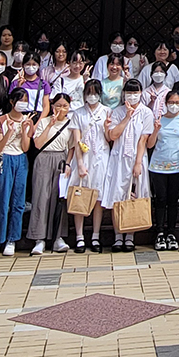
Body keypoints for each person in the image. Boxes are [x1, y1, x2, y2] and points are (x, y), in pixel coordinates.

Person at [103, 79, 156, 251]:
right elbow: (113, 135)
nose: (132, 96)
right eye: (129, 92)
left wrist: (138, 163)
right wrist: (127, 116)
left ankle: (130, 236)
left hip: (136, 157)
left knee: (135, 194)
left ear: (141, 93)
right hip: (118, 158)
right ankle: (118, 235)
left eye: (135, 92)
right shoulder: (117, 112)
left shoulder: (146, 113)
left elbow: (143, 139)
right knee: (117, 194)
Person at [27, 93, 76, 255]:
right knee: (41, 196)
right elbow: (37, 143)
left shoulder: (71, 124)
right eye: (58, 105)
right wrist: (49, 125)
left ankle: (58, 237)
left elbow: (71, 147)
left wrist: (68, 163)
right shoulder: (44, 122)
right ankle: (39, 238)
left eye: (65, 106)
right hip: (44, 158)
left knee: (59, 198)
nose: (61, 109)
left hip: (61, 159)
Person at [67, 78, 111, 252]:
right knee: (81, 194)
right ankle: (79, 236)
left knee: (98, 197)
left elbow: (109, 138)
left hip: (101, 156)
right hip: (84, 158)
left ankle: (95, 235)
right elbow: (77, 140)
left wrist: (108, 128)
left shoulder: (107, 111)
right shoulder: (78, 113)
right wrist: (79, 162)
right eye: (89, 93)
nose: (92, 96)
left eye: (95, 93)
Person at [0, 92, 33, 256]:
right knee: (2, 202)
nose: (23, 103)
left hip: (20, 159)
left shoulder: (27, 120)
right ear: (12, 102)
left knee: (18, 203)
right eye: (20, 100)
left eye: (26, 100)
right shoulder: (1, 120)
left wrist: (24, 130)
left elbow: (26, 147)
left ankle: (12, 239)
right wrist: (10, 131)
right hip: (5, 159)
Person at [147, 90, 179, 251]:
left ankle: (171, 232)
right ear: (165, 104)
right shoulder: (158, 120)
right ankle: (159, 232)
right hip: (158, 166)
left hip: (178, 166)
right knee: (160, 199)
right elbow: (150, 145)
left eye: (177, 103)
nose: (174, 106)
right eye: (171, 103)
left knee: (173, 200)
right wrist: (156, 130)